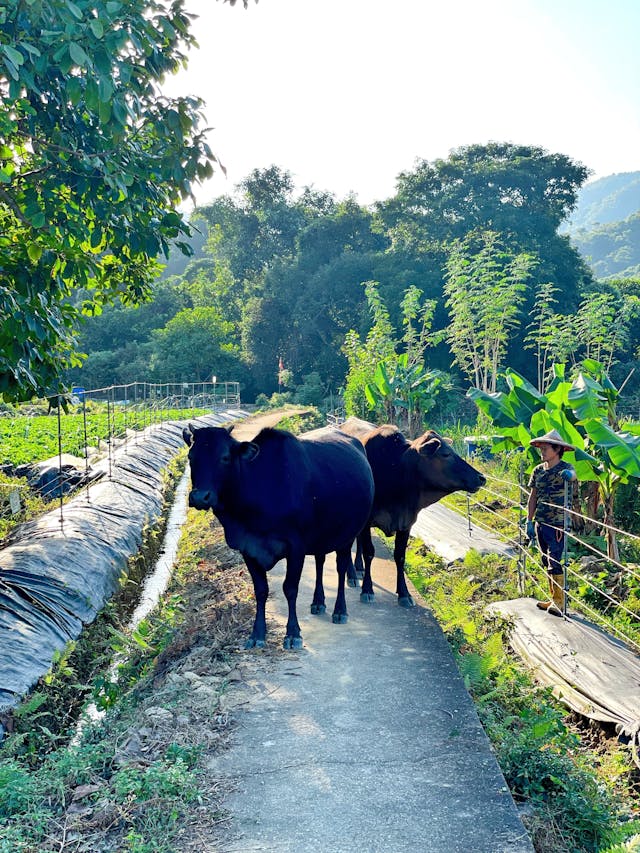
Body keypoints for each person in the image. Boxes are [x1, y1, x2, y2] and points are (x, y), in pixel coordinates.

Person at [526, 429, 577, 616]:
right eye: (542, 448)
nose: (543, 452)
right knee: (545, 559)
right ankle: (553, 598)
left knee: (555, 559)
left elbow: (574, 475)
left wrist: (568, 475)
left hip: (557, 523)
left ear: (557, 450)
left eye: (546, 448)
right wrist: (529, 520)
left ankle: (560, 602)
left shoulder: (565, 467)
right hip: (541, 521)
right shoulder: (538, 471)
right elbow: (533, 496)